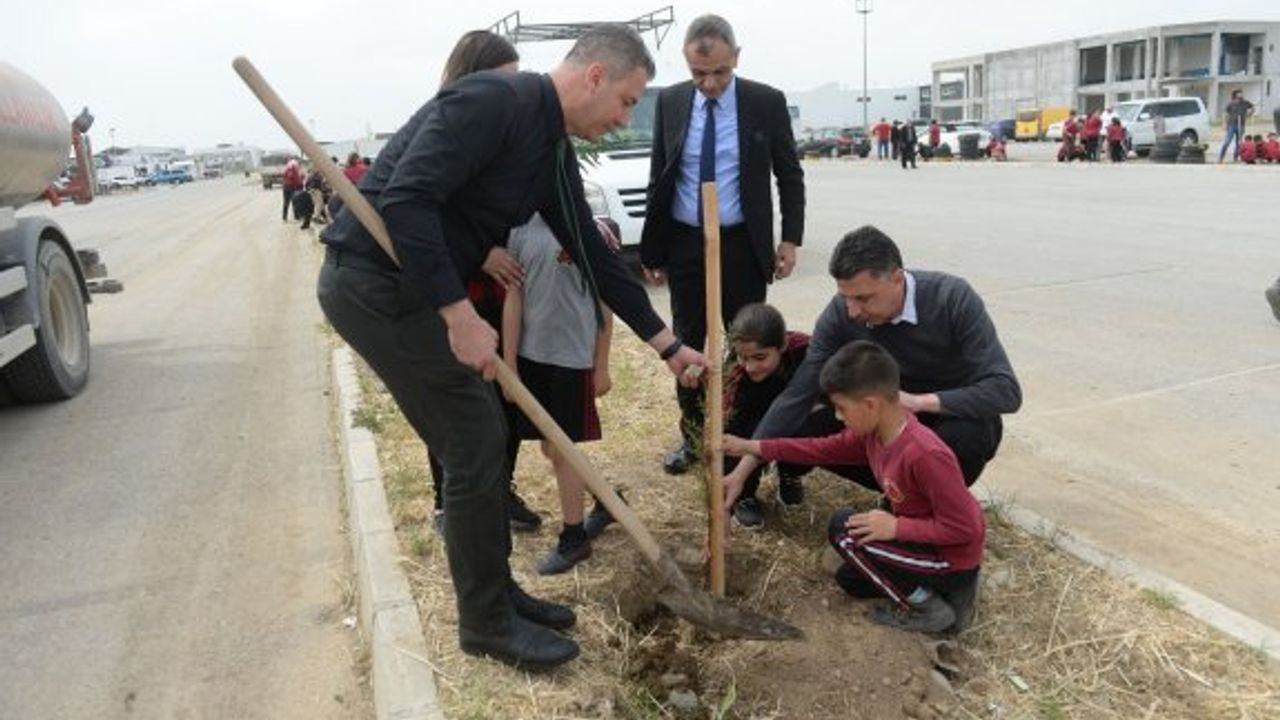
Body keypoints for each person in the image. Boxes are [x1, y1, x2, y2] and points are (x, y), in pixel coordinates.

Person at [317, 25, 705, 671]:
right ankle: (485, 622)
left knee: (486, 433)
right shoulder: (493, 101)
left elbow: (590, 249)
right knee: (472, 436)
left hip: (409, 290)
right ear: (594, 77)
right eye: (629, 101)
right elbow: (408, 199)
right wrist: (457, 312)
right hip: (374, 287)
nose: (624, 117)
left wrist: (667, 345)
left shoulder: (549, 148)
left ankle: (497, 592)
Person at [721, 225, 1020, 511]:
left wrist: (918, 402)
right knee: (804, 427)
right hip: (883, 418)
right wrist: (744, 468)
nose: (852, 310)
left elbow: (1005, 390)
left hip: (946, 420)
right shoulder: (841, 313)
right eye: (845, 297)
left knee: (965, 439)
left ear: (897, 279)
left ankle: (918, 509)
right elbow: (798, 394)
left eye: (863, 298)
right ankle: (898, 493)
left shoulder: (952, 298)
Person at [723, 341, 985, 633]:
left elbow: (966, 529)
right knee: (852, 580)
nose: (837, 417)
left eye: (841, 408)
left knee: (843, 531)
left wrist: (897, 528)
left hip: (949, 558)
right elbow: (817, 449)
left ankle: (932, 609)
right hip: (925, 543)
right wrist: (752, 446)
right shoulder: (873, 434)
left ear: (871, 404)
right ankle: (941, 594)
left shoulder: (925, 454)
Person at [639, 14, 805, 475]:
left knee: (750, 348)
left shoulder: (765, 103)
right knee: (687, 344)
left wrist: (790, 239)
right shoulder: (670, 102)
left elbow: (789, 175)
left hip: (741, 245)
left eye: (719, 73)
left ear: (736, 58)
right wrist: (653, 249)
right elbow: (660, 175)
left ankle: (748, 448)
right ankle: (694, 437)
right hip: (686, 243)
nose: (709, 84)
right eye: (698, 74)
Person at [418, 29, 541, 538]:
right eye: (501, 82)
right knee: (456, 407)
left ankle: (499, 489)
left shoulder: (504, 133)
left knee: (503, 398)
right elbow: (421, 217)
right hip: (452, 292)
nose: (508, 96)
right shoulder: (441, 129)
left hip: (499, 290)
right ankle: (450, 500)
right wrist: (481, 252)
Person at [501, 214, 621, 574]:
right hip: (532, 357)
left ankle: (574, 539)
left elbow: (605, 304)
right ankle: (606, 503)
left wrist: (601, 364)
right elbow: (514, 299)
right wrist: (510, 365)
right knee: (551, 447)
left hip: (573, 360)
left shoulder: (587, 230)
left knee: (562, 449)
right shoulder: (518, 231)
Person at [721, 303, 811, 529]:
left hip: (795, 421)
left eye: (760, 357)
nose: (750, 367)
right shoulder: (735, 377)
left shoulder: (806, 352)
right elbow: (727, 434)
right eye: (743, 357)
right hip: (751, 424)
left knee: (809, 424)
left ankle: (791, 472)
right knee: (737, 436)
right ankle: (745, 494)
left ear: (782, 345)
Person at [1219, 90, 1255, 163]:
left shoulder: (1245, 103)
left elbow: (1252, 107)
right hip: (1231, 125)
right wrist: (1224, 124)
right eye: (1239, 94)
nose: (1241, 95)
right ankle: (1221, 158)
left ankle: (1235, 158)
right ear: (1235, 95)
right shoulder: (1231, 103)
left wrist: (1250, 114)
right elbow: (1225, 113)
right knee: (1227, 141)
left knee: (1239, 143)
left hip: (1241, 125)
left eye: (1241, 94)